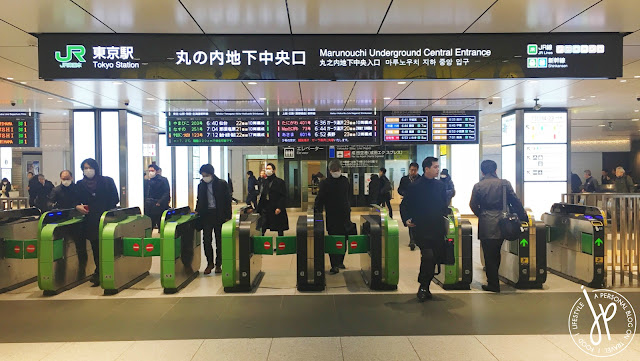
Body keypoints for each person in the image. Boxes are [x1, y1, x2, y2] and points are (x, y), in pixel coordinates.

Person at [469, 160, 527, 293]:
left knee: (489, 254)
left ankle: (493, 283)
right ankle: (494, 281)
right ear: (495, 170)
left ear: (482, 171)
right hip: (503, 222)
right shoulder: (505, 184)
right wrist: (523, 216)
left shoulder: (478, 186)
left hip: (486, 223)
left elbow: (472, 204)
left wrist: (482, 214)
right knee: (496, 253)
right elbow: (515, 201)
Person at [401, 157, 449, 302]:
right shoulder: (415, 186)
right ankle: (423, 287)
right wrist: (406, 219)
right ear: (426, 169)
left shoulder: (440, 186)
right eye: (435, 167)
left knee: (433, 258)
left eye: (438, 166)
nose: (437, 169)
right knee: (427, 255)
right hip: (421, 228)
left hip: (437, 227)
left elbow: (443, 205)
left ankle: (425, 285)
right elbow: (405, 205)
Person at [75, 158, 119, 286]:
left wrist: (106, 210)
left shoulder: (107, 181)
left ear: (96, 168)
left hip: (107, 218)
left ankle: (105, 271)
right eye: (85, 168)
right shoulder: (80, 184)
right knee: (95, 247)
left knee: (107, 245)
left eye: (90, 167)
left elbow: (115, 197)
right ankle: (99, 271)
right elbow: (76, 200)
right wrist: (77, 206)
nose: (88, 170)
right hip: (91, 220)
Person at [315, 160, 351, 274]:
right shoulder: (325, 183)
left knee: (344, 239)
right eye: (334, 170)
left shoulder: (345, 181)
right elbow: (320, 198)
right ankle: (334, 264)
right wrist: (317, 210)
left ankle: (340, 261)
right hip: (332, 216)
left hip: (345, 215)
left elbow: (347, 196)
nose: (336, 172)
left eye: (338, 170)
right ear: (330, 171)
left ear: (341, 170)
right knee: (333, 239)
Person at [195, 164, 232, 275]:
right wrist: (197, 210)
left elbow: (227, 200)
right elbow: (199, 199)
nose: (204, 177)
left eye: (205, 175)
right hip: (206, 215)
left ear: (211, 173)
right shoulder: (201, 185)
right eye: (202, 175)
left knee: (219, 240)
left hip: (219, 215)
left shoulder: (221, 184)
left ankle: (218, 264)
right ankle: (209, 263)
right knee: (206, 240)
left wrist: (227, 216)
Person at [257, 163, 289, 237]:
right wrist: (259, 208)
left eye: (269, 169)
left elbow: (283, 196)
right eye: (266, 169)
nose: (267, 170)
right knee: (263, 225)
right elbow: (262, 195)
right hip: (266, 207)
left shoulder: (280, 182)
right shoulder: (264, 182)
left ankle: (280, 243)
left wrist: (279, 207)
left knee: (279, 227)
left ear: (274, 170)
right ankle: (261, 241)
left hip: (276, 207)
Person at [398, 162, 420, 251]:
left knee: (417, 223)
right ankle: (412, 240)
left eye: (415, 170)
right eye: (411, 170)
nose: (413, 172)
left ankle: (416, 239)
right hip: (407, 203)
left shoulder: (421, 179)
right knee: (410, 222)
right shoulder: (404, 179)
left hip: (418, 204)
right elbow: (400, 189)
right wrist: (404, 193)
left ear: (417, 170)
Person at [144, 164, 170, 230]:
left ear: (157, 171)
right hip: (149, 205)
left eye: (152, 170)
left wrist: (160, 202)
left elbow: (166, 192)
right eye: (149, 171)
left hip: (159, 205)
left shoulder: (163, 180)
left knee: (160, 223)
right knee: (149, 224)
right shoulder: (147, 181)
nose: (150, 172)